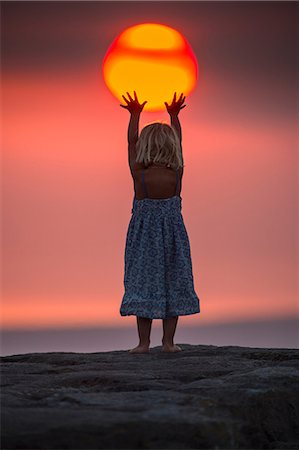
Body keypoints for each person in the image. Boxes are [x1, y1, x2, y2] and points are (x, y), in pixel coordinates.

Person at [119, 91, 200, 353]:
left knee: (143, 285)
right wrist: (174, 116)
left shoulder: (138, 173)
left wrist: (135, 115)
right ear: (172, 146)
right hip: (173, 237)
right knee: (172, 282)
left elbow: (131, 143)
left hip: (143, 239)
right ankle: (168, 342)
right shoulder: (177, 172)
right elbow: (180, 140)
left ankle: (144, 343)